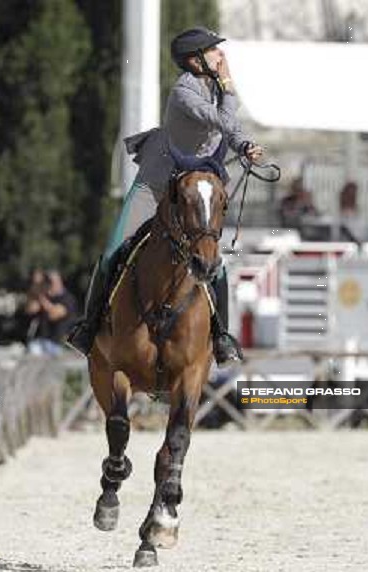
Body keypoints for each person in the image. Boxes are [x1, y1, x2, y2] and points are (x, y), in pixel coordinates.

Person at [68, 26, 262, 365]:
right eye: (214, 50)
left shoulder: (212, 87)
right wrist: (230, 87)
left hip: (191, 192)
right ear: (194, 60)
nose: (221, 56)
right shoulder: (184, 93)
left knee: (214, 261)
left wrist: (244, 146)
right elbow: (221, 119)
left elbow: (230, 129)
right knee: (114, 250)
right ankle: (89, 326)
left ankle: (221, 337)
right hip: (157, 186)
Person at [26, 270, 78, 357]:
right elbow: (30, 310)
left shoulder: (67, 298)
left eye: (51, 282)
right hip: (42, 341)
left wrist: (42, 299)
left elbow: (54, 314)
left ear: (59, 282)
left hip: (59, 344)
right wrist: (36, 287)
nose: (49, 284)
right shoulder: (46, 297)